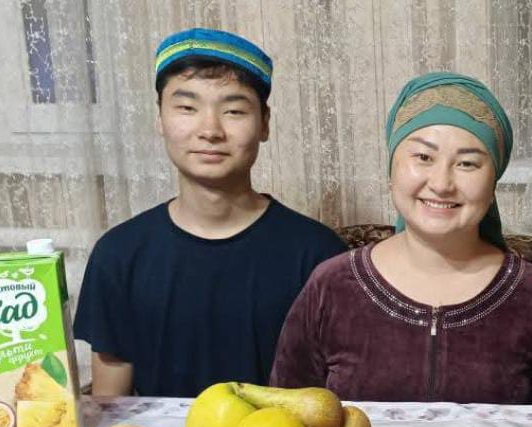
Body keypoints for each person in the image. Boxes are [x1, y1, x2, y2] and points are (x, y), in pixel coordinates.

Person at [270, 72, 532, 403]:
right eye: (423, 157)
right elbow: (286, 417)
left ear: (492, 185)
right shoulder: (332, 286)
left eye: (467, 163)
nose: (442, 184)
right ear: (391, 170)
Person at [75, 28, 346, 397]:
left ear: (265, 123)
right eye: (187, 108)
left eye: (233, 111)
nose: (210, 130)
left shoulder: (318, 255)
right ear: (159, 118)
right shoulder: (119, 254)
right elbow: (111, 405)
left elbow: (334, 398)